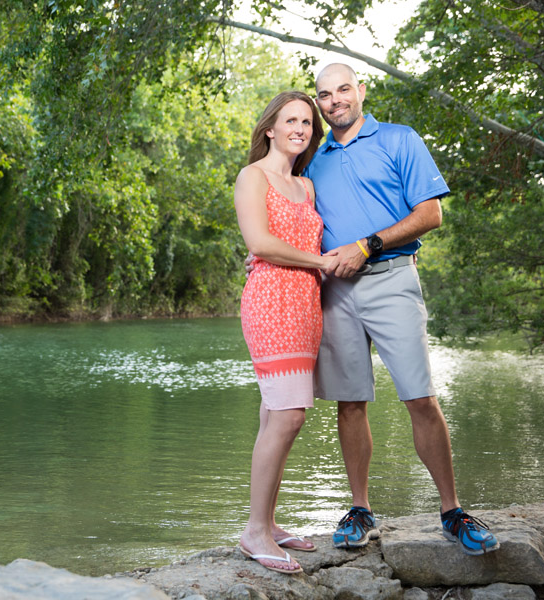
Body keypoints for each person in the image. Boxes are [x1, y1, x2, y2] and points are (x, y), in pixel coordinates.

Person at [305, 63, 499, 556]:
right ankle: (361, 508)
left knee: (420, 396)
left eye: (343, 89)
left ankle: (452, 510)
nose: (334, 101)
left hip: (392, 279)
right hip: (335, 289)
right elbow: (292, 215)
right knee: (349, 402)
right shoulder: (313, 158)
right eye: (324, 95)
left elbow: (430, 213)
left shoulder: (398, 139)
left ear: (360, 91)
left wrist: (367, 245)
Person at [233, 90, 330, 575]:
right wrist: (319, 261)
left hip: (307, 306)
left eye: (307, 123)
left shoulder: (307, 187)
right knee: (289, 416)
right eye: (290, 120)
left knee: (277, 416)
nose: (300, 128)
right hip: (271, 302)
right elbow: (260, 242)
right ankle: (253, 532)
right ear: (270, 128)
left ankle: (266, 523)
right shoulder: (253, 177)